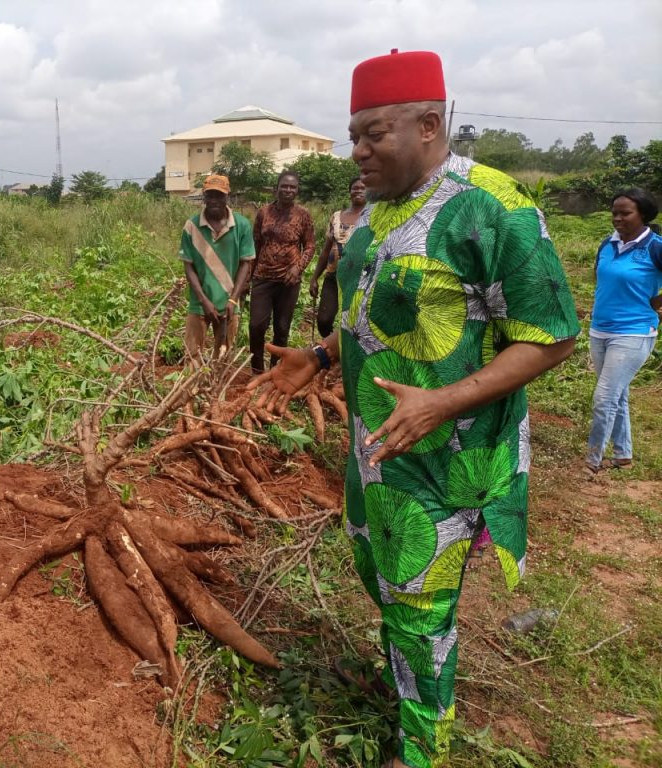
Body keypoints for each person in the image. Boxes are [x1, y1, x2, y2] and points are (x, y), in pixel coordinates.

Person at [249, 49, 580, 768]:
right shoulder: (373, 220)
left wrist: (443, 402)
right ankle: (403, 688)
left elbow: (551, 337)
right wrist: (323, 356)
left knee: (425, 611)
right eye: (353, 135)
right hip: (379, 453)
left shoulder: (494, 209)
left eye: (373, 134)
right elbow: (370, 314)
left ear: (429, 124)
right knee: (388, 585)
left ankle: (421, 751)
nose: (357, 151)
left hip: (447, 464)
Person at [585, 189, 662, 473]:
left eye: (625, 213)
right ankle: (623, 453)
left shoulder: (655, 246)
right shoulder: (608, 243)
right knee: (618, 393)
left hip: (635, 331)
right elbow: (599, 276)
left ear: (643, 214)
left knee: (604, 398)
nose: (617, 218)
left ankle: (592, 462)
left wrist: (658, 301)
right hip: (600, 330)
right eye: (614, 212)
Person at [179, 173, 255, 360]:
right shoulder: (191, 227)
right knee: (193, 354)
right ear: (203, 196)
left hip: (229, 303)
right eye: (210, 195)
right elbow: (189, 268)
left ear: (227, 196)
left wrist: (233, 300)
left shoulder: (242, 225)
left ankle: (217, 388)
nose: (214, 200)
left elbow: (245, 264)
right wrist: (204, 301)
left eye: (219, 195)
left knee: (223, 356)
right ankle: (193, 389)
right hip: (199, 303)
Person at [249, 172, 315, 373]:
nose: (288, 190)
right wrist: (248, 277)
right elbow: (256, 244)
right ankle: (257, 370)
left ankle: (277, 370)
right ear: (276, 188)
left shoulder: (303, 215)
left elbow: (310, 246)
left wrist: (298, 268)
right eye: (284, 186)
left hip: (289, 280)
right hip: (263, 277)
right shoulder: (264, 213)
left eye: (292, 187)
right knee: (256, 326)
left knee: (282, 328)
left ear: (297, 190)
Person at [310, 177, 367, 336]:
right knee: (324, 321)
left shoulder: (372, 217)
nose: (359, 191)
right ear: (349, 191)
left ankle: (345, 355)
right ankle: (332, 352)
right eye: (355, 188)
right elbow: (326, 251)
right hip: (333, 277)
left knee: (353, 323)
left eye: (363, 188)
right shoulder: (336, 216)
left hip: (358, 279)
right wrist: (314, 278)